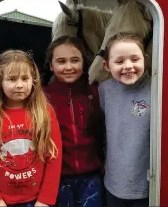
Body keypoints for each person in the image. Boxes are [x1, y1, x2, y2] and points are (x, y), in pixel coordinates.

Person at [0, 49, 62, 207]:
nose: (19, 85)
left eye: (24, 78)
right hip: (1, 201)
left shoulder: (44, 111)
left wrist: (45, 200)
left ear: (33, 80)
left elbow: (54, 157)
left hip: (36, 201)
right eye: (12, 79)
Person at [43, 35, 105, 207]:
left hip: (92, 176)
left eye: (75, 60)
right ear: (51, 65)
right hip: (57, 177)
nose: (68, 67)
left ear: (84, 63)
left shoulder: (96, 93)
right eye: (61, 61)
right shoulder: (42, 97)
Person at [99, 32, 151, 207]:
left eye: (135, 59)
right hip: (113, 184)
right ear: (107, 66)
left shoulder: (157, 89)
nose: (128, 66)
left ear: (145, 59)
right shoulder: (104, 90)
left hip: (147, 186)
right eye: (119, 61)